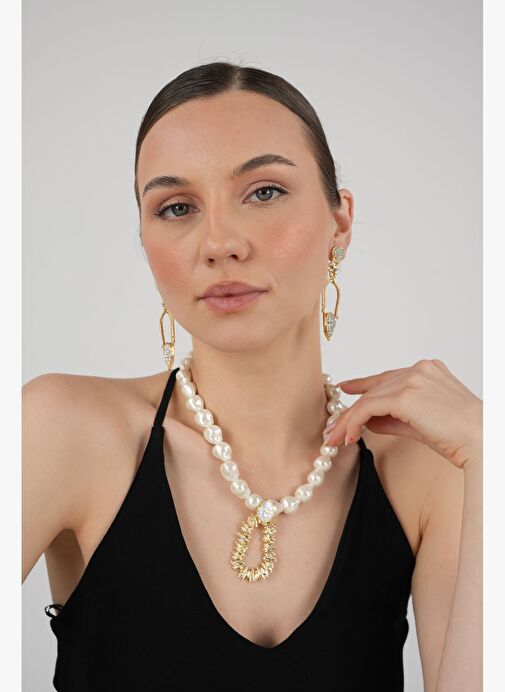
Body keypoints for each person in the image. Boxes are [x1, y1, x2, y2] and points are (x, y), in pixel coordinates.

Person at [22, 62, 482, 691]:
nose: (220, 243)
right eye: (176, 207)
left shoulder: (427, 465)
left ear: (340, 221)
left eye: (263, 192)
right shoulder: (62, 430)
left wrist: (487, 451)